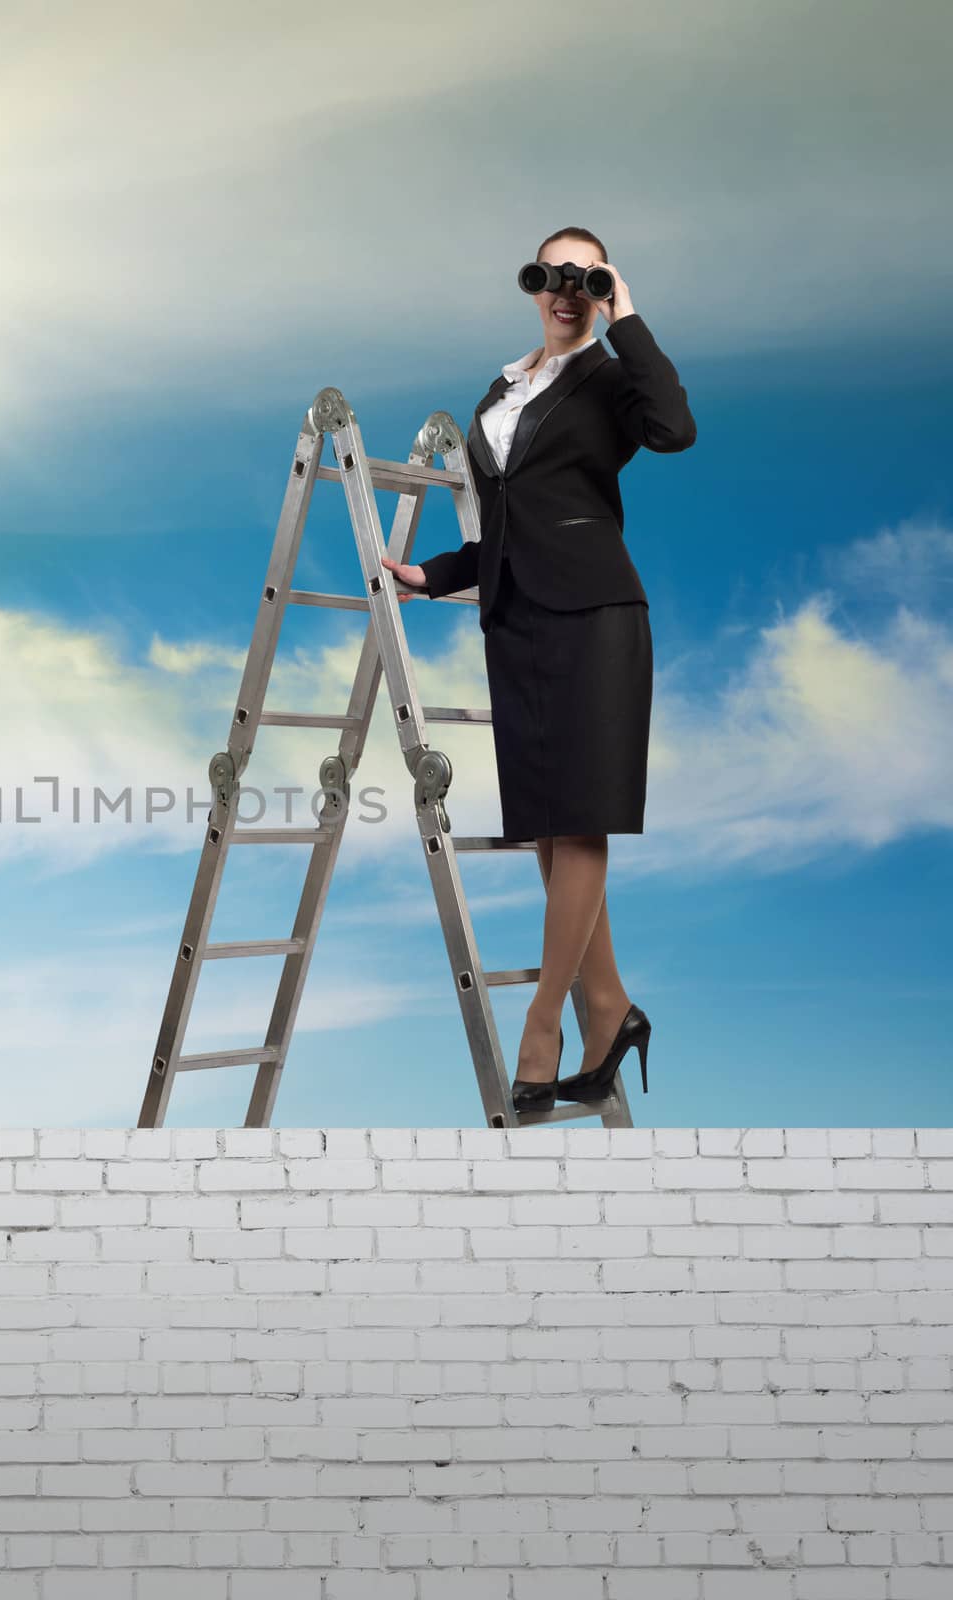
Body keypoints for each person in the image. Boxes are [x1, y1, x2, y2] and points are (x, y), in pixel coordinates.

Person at [380, 227, 696, 1113]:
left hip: (596, 616)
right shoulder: (504, 386)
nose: (564, 292)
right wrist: (436, 574)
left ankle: (545, 1020)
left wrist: (625, 317)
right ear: (531, 284)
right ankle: (611, 1008)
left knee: (581, 822)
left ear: (598, 289)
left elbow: (677, 428)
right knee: (548, 832)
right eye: (551, 276)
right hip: (515, 620)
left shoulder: (609, 381)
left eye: (582, 280)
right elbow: (507, 516)